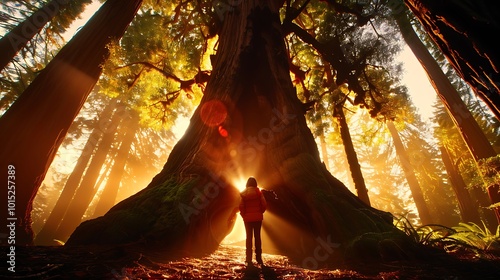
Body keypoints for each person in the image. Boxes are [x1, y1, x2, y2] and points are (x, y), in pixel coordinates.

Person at [239, 177, 267, 266]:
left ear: (247, 184)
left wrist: (244, 215)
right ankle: (259, 258)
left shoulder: (243, 194)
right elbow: (264, 204)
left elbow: (241, 206)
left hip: (247, 219)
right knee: (257, 237)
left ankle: (248, 258)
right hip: (258, 218)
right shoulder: (259, 193)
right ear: (255, 183)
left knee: (249, 237)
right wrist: (260, 212)